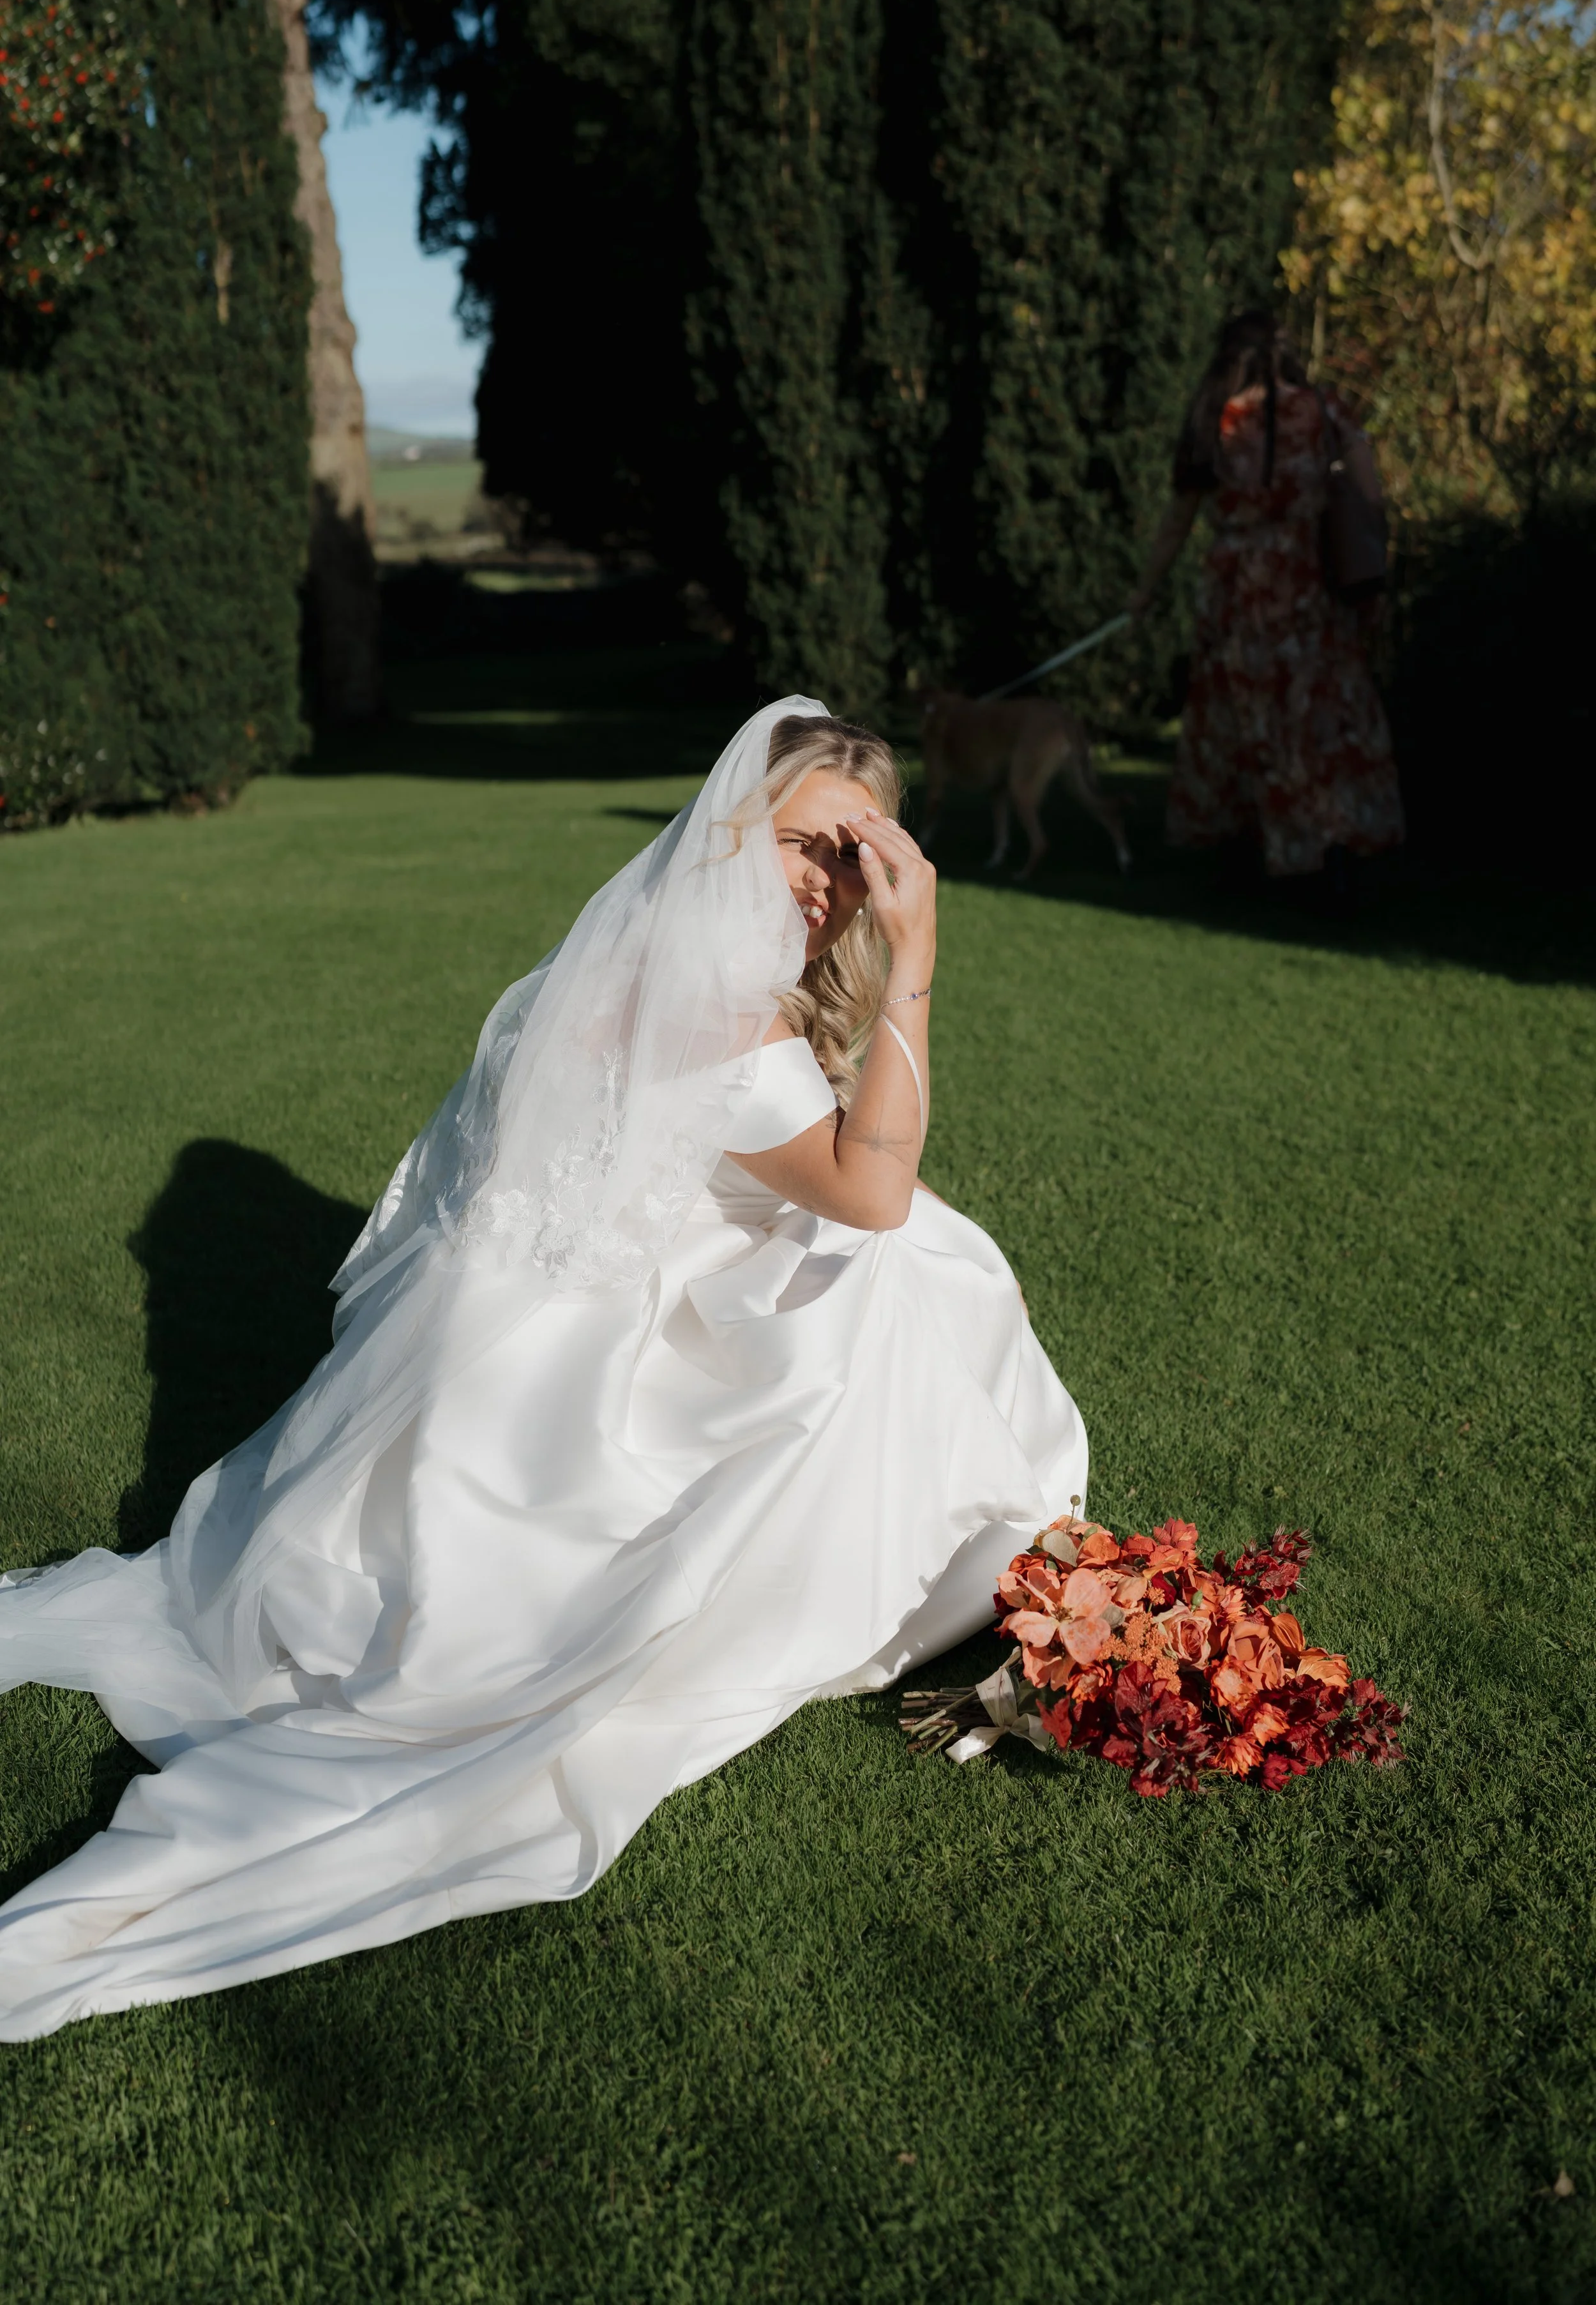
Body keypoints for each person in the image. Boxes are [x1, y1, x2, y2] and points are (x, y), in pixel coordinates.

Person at [0, 699, 1087, 2041]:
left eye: (857, 862)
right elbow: (869, 1193)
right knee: (906, 1265)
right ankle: (947, 1532)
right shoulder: (739, 1039)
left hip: (488, 1360)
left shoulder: (615, 961)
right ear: (729, 831)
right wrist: (914, 956)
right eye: (806, 849)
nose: (828, 890)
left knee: (911, 1251)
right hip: (591, 1398)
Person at [1129, 308, 1404, 894]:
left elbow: (1179, 521)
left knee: (1243, 721)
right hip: (1312, 589)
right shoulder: (1327, 410)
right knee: (1320, 719)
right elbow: (1369, 498)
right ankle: (1329, 849)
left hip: (1239, 596)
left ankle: (1253, 854)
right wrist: (1371, 577)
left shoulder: (1221, 420)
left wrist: (1146, 592)